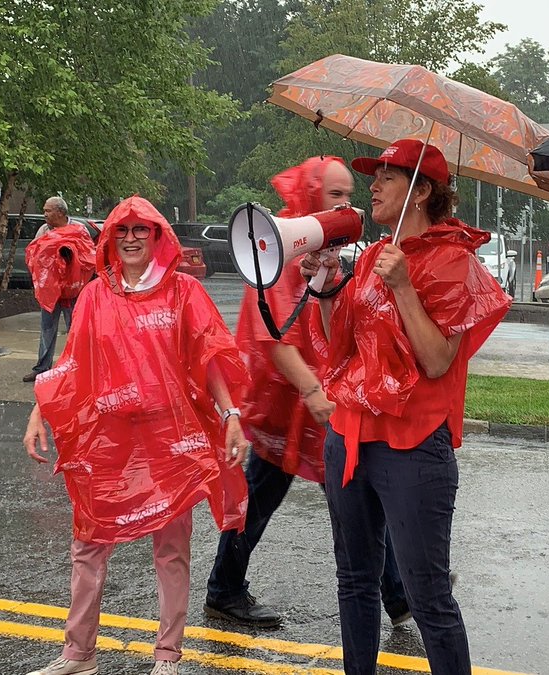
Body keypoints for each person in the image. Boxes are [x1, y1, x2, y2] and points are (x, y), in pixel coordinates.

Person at [302, 139, 511, 675]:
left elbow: (439, 360)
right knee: (354, 581)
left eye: (387, 176)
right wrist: (326, 291)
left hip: (413, 447)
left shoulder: (457, 265)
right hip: (349, 436)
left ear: (421, 192)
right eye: (374, 176)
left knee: (428, 597)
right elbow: (340, 345)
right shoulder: (373, 255)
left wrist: (404, 289)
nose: (372, 185)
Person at [22, 195, 250, 675]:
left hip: (172, 437)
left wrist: (229, 413)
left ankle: (167, 655)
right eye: (121, 230)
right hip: (108, 438)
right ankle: (78, 654)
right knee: (89, 540)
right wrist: (39, 410)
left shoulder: (183, 291)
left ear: (157, 237)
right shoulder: (94, 296)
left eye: (140, 230)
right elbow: (71, 364)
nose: (129, 238)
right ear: (109, 238)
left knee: (171, 545)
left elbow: (209, 356)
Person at [204, 156, 411, 629]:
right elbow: (274, 337)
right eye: (335, 195)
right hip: (292, 405)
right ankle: (224, 589)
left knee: (345, 498)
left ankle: (397, 593)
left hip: (311, 403)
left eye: (347, 195)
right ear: (312, 197)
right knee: (344, 497)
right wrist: (315, 390)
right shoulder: (281, 248)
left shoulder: (318, 251)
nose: (347, 204)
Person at [23, 197, 94, 382]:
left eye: (48, 211)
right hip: (50, 291)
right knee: (47, 329)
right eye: (44, 210)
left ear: (60, 212)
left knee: (75, 330)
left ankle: (79, 367)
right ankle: (41, 368)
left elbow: (89, 256)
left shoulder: (79, 229)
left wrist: (70, 256)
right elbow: (34, 254)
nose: (45, 214)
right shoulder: (44, 230)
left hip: (73, 291)